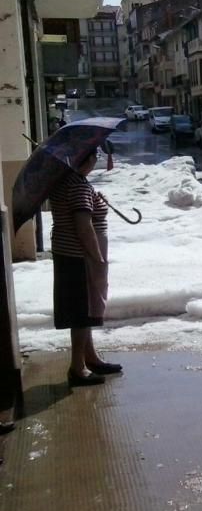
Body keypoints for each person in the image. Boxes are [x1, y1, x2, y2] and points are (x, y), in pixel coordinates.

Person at [49, 147, 122, 386]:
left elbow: (81, 212)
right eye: (95, 157)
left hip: (68, 254)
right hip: (80, 257)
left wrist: (96, 199)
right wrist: (96, 256)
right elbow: (83, 225)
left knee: (85, 310)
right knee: (81, 312)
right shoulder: (78, 185)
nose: (96, 161)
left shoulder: (68, 181)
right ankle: (77, 368)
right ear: (88, 159)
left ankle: (90, 358)